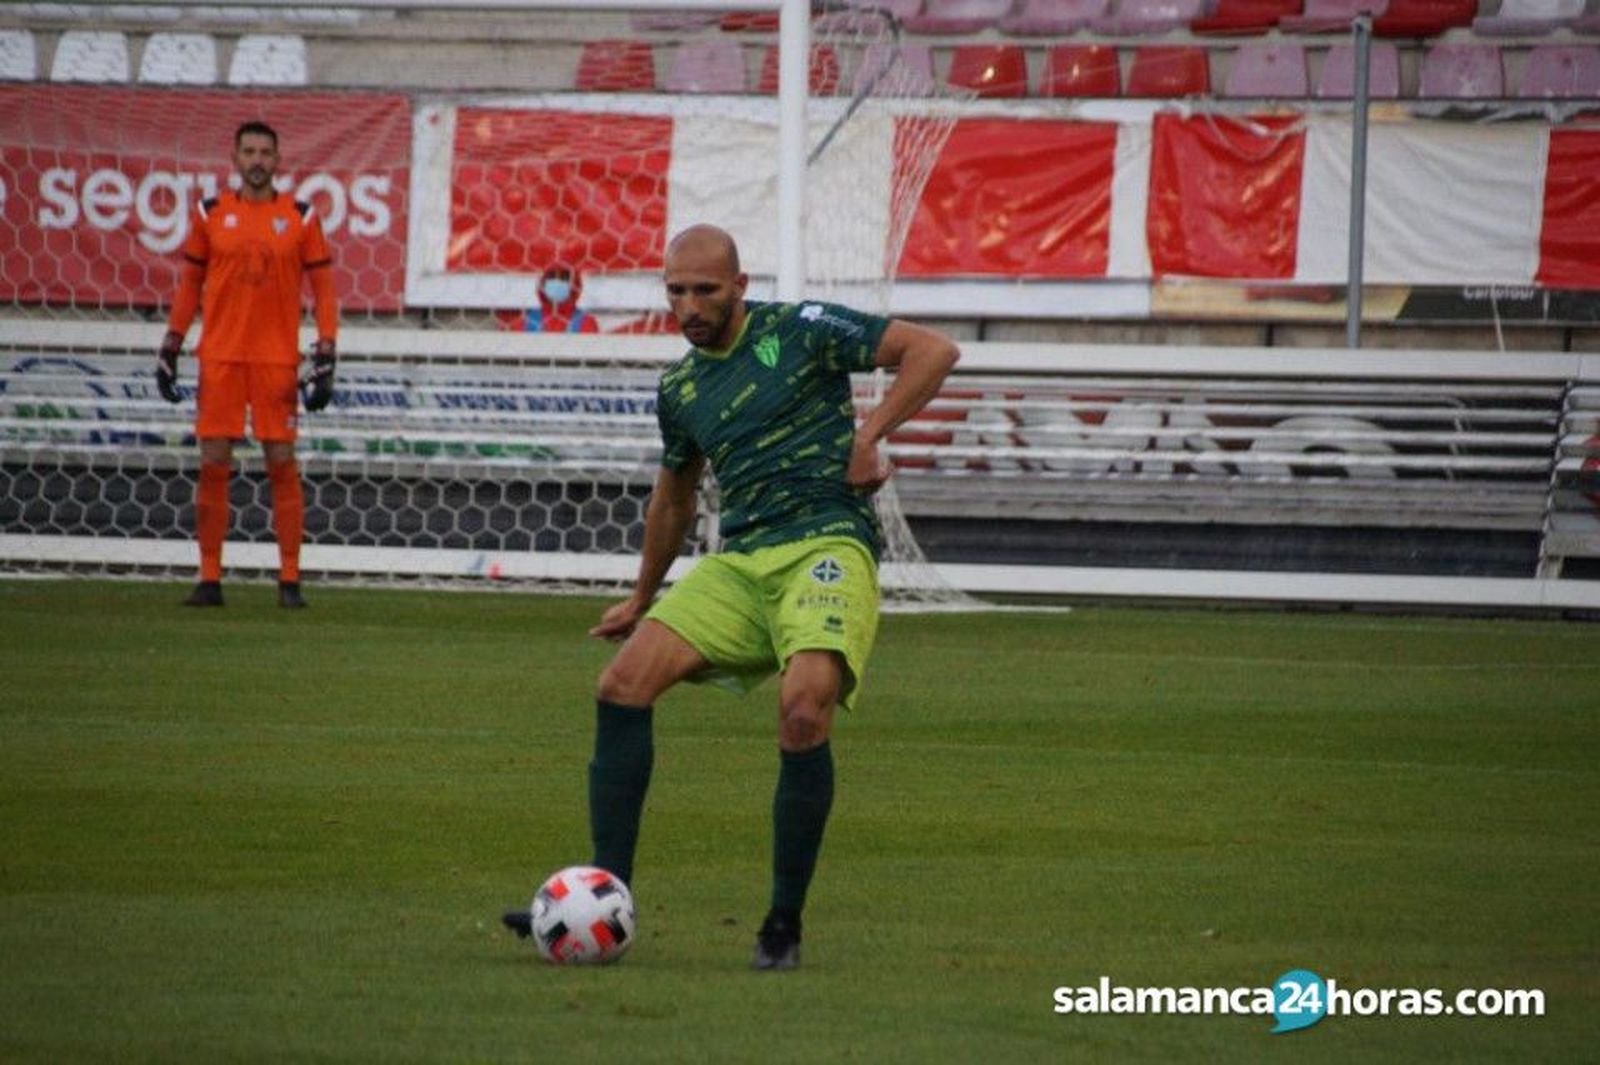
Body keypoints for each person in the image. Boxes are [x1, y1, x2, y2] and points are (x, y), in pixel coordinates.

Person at [507, 223, 959, 970]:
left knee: (804, 707)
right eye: (676, 291)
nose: (689, 305)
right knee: (622, 684)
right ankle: (599, 893)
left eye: (705, 290)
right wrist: (640, 596)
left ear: (740, 286)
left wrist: (869, 433)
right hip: (741, 561)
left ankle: (783, 922)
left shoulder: (803, 329)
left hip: (824, 545)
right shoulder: (681, 388)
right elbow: (674, 502)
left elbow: (932, 351)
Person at [155, 119, 338, 609]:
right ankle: (210, 578)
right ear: (235, 159)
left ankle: (290, 580)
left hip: (276, 359)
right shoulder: (210, 213)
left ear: (278, 161)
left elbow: (323, 289)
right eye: (249, 152)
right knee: (214, 461)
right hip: (220, 356)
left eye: (265, 153)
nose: (257, 160)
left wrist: (326, 350)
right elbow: (190, 285)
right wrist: (171, 344)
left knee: (281, 462)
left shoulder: (300, 217)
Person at [522, 263, 599, 334]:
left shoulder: (586, 322)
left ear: (574, 284)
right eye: (552, 277)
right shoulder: (526, 322)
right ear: (543, 283)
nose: (557, 281)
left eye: (563, 278)